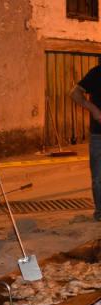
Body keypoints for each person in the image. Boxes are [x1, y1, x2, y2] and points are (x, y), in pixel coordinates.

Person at [70, 70, 101, 222]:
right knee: (98, 178)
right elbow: (75, 93)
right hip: (99, 135)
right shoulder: (96, 73)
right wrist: (93, 109)